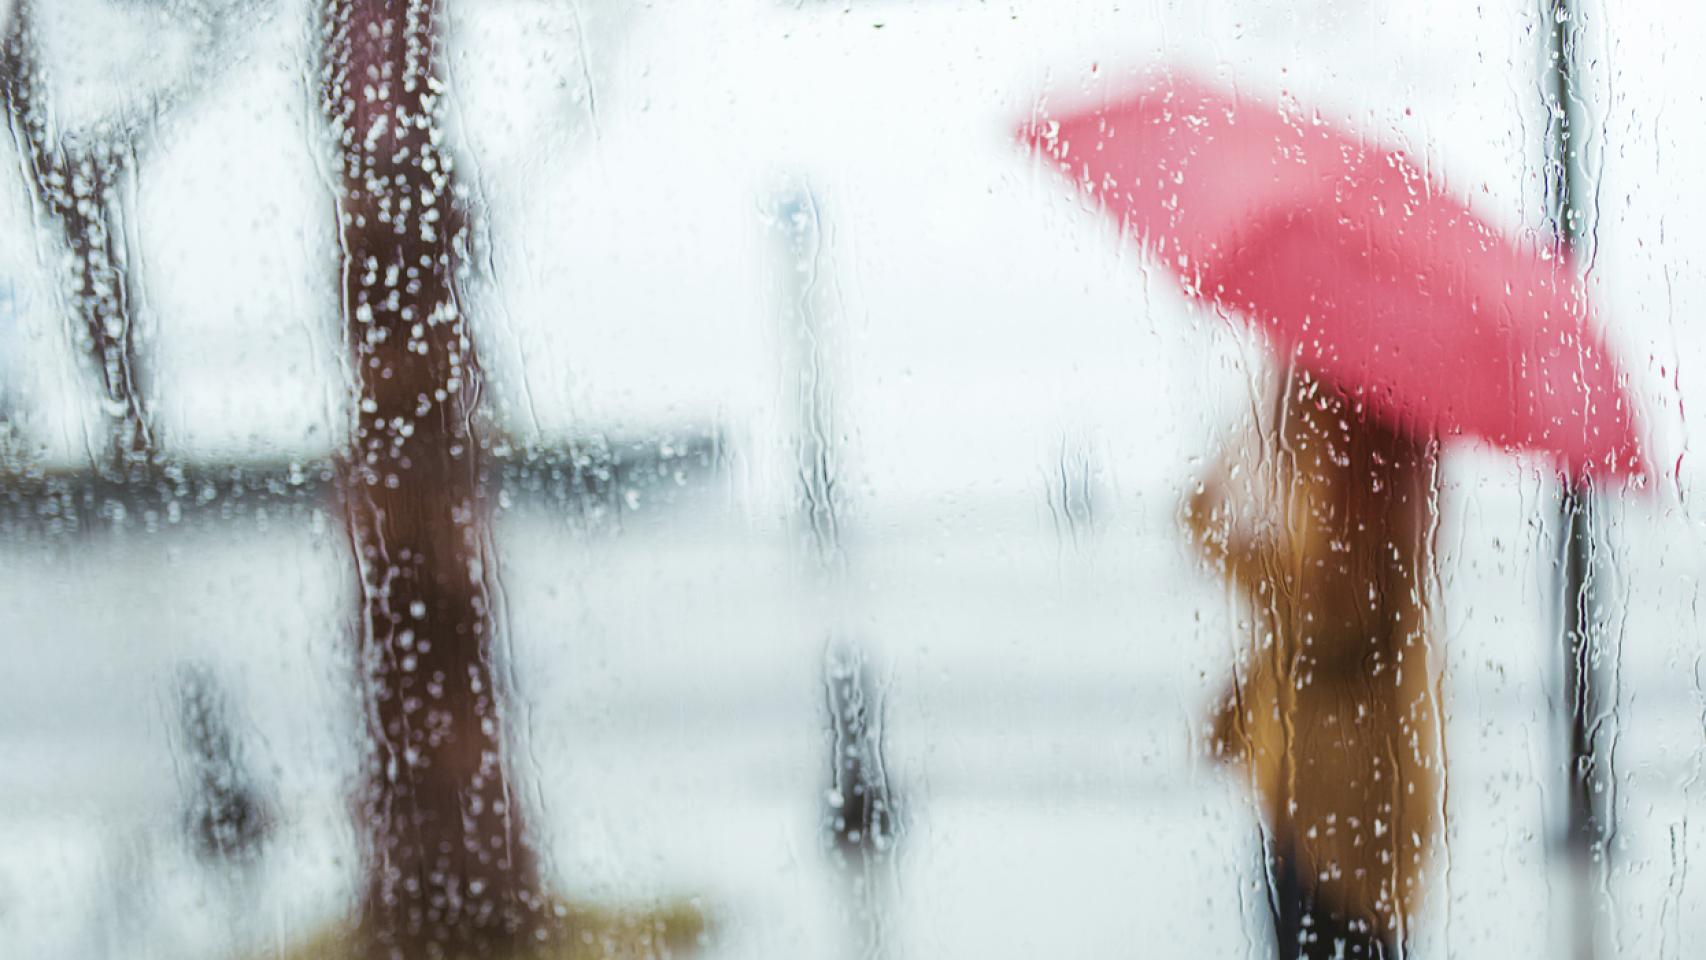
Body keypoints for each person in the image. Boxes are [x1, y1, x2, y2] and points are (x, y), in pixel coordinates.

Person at [1184, 369, 1444, 959]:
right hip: (1326, 810)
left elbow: (1324, 625)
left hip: (1343, 828)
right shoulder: (1365, 494)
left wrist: (1224, 500)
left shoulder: (1368, 500)